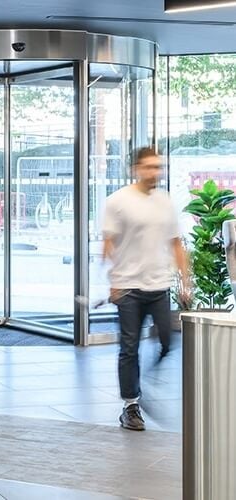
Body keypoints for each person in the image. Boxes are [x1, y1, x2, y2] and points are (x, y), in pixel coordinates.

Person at [102, 147, 190, 431]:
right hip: (128, 287)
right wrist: (112, 281)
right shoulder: (118, 201)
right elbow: (108, 243)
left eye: (158, 167)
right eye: (150, 167)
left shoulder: (164, 201)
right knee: (129, 348)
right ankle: (130, 405)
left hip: (158, 285)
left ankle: (144, 384)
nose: (155, 172)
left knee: (167, 342)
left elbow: (175, 243)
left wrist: (185, 281)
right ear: (136, 168)